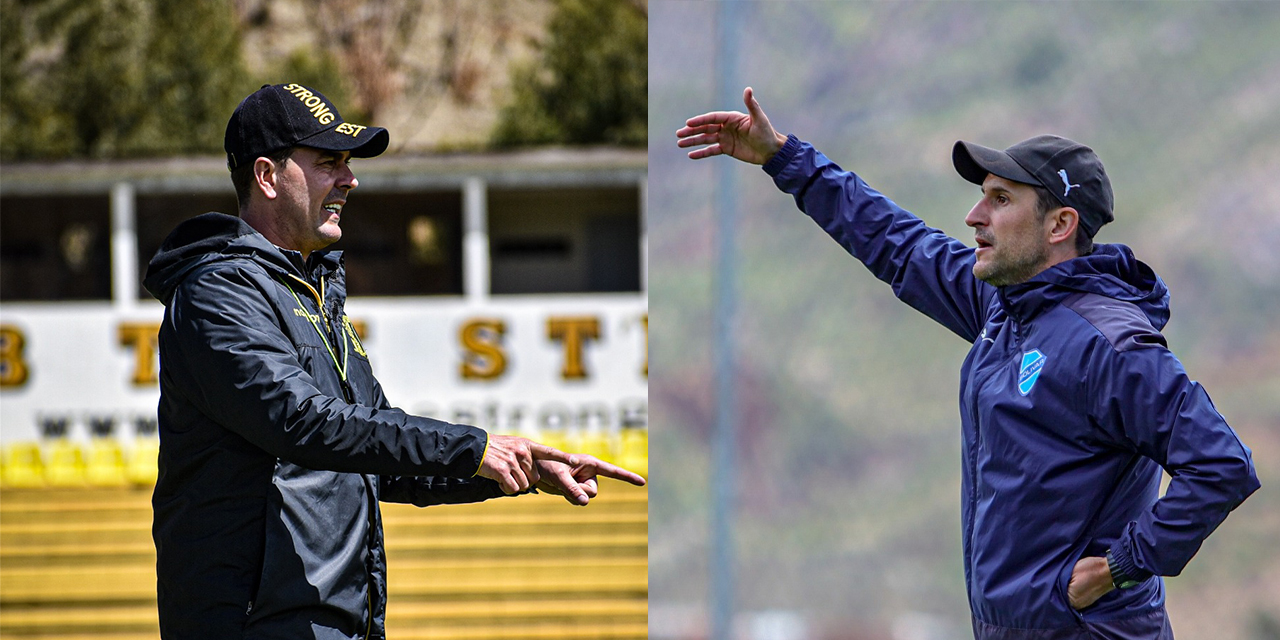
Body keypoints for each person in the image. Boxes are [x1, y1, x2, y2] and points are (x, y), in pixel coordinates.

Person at [677, 88, 1258, 638]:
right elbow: (900, 244)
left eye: (1001, 199)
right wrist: (786, 160)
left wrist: (1121, 566)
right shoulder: (1003, 307)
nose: (975, 215)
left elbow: (1221, 465)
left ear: (1060, 225)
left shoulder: (1109, 345)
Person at [142, 83, 645, 639]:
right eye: (328, 162)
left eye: (348, 164)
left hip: (335, 624)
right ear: (266, 176)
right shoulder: (217, 292)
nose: (349, 179)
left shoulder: (313, 293)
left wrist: (512, 468)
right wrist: (472, 447)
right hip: (253, 625)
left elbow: (379, 458)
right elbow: (299, 421)